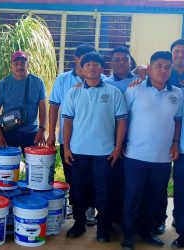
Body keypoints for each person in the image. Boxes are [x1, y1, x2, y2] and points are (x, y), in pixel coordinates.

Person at [62, 52, 127, 242]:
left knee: (104, 192)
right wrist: (66, 148)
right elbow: (67, 122)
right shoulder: (73, 92)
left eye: (95, 64)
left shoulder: (113, 92)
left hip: (105, 154)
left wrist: (117, 148)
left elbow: (122, 121)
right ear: (81, 69)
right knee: (79, 191)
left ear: (102, 68)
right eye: (87, 64)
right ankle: (79, 223)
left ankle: (103, 229)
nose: (91, 67)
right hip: (78, 152)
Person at [121, 51, 182, 250]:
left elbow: (178, 120)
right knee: (132, 197)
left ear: (171, 69)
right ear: (149, 67)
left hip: (162, 159)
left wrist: (175, 142)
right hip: (135, 156)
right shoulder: (134, 89)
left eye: (167, 67)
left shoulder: (177, 94)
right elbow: (123, 118)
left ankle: (146, 231)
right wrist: (120, 143)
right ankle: (128, 235)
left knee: (154, 198)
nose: (163, 70)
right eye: (159, 66)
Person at [47, 44, 99, 224]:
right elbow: (54, 107)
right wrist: (51, 134)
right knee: (72, 175)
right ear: (76, 59)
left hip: (93, 141)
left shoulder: (102, 80)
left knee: (92, 176)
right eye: (83, 58)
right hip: (68, 139)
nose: (88, 64)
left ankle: (90, 208)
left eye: (92, 60)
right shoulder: (63, 79)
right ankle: (76, 206)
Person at [104, 47, 140, 227]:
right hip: (110, 140)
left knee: (131, 183)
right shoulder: (104, 83)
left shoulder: (141, 82)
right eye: (116, 59)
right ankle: (110, 218)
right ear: (110, 63)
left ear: (130, 62)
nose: (120, 62)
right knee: (111, 180)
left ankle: (131, 220)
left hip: (135, 140)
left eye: (124, 59)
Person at [0, 51, 46, 152]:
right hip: (9, 132)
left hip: (31, 133)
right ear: (11, 66)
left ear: (27, 64)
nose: (19, 66)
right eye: (16, 63)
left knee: (34, 165)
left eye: (22, 63)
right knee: (8, 166)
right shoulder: (3, 85)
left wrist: (42, 130)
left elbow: (43, 109)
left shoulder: (38, 82)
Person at [171, 38, 184, 248]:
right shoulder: (164, 73)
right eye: (177, 52)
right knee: (180, 189)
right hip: (173, 142)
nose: (180, 55)